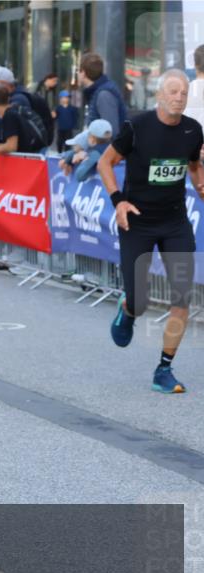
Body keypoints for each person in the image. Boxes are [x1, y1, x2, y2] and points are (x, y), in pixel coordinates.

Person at [98, 70, 203, 394]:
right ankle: (128, 309)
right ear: (159, 95)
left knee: (182, 297)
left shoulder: (192, 130)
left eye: (183, 92)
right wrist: (119, 202)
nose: (178, 97)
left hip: (175, 222)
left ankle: (164, 369)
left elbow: (193, 163)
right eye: (172, 91)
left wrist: (200, 184)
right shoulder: (137, 127)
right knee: (140, 301)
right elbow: (106, 162)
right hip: (138, 222)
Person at [79, 52, 127, 137]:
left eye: (78, 71)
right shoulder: (97, 91)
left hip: (101, 150)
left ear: (83, 73)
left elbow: (110, 133)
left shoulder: (104, 95)